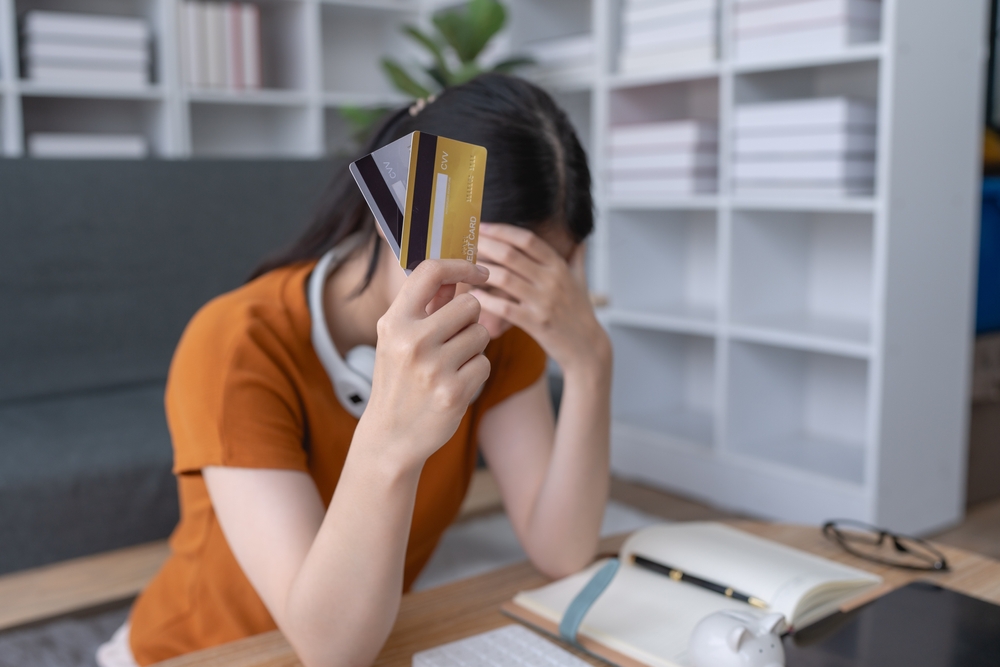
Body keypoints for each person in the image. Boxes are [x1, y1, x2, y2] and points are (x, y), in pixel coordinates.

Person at [100, 73, 612, 667]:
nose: (496, 318)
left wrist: (590, 363)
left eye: (534, 286)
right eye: (487, 273)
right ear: (399, 215)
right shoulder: (236, 343)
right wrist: (390, 440)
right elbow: (330, 647)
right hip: (205, 653)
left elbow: (563, 550)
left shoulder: (500, 330)